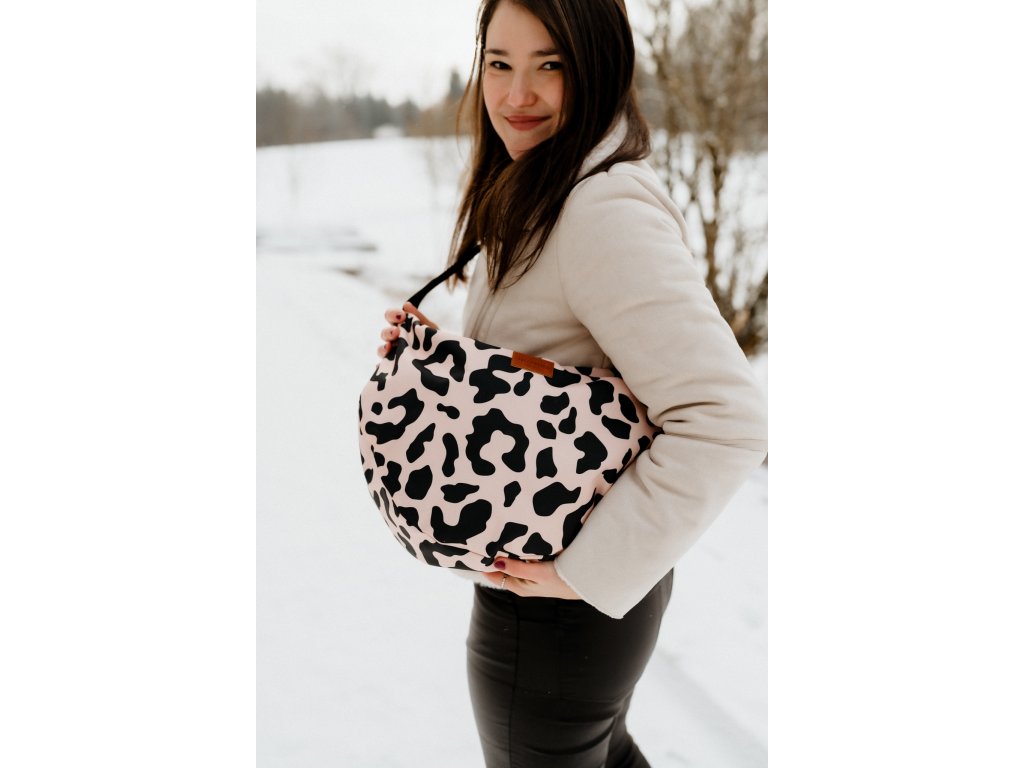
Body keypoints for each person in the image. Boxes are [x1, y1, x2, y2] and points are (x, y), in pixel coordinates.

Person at [376, 0, 768, 765]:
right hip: (565, 587)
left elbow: (726, 419)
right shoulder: (551, 182)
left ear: (599, 67)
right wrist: (436, 354)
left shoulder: (597, 208)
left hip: (558, 606)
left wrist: (582, 574)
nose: (516, 94)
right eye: (499, 64)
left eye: (549, 65)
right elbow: (550, 360)